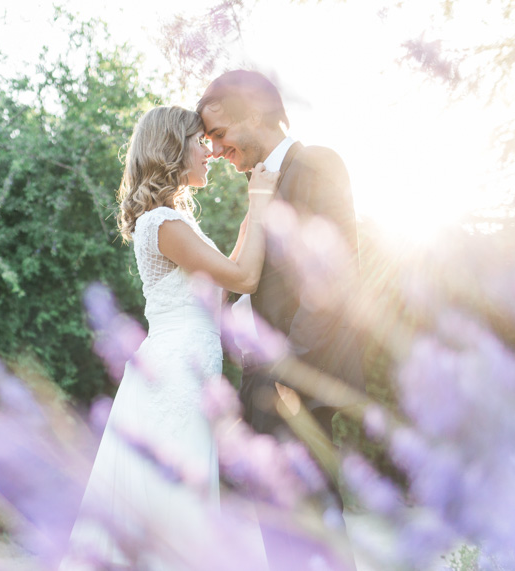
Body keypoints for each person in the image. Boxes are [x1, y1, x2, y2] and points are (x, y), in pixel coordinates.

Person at [62, 105, 278, 570]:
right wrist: (259, 206)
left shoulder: (171, 222)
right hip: (176, 375)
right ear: (172, 149)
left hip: (185, 370)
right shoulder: (163, 224)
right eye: (200, 142)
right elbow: (242, 279)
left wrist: (247, 223)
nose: (210, 152)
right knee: (177, 501)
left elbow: (215, 295)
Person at [197, 69, 365, 569]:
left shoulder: (315, 164)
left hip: (295, 383)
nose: (215, 150)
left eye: (219, 134)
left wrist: (286, 376)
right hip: (259, 385)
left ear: (252, 112)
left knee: (316, 540)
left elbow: (328, 283)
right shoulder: (260, 186)